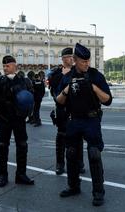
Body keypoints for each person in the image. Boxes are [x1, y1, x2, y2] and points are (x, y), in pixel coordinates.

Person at [56, 43, 112, 206]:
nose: (87, 64)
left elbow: (108, 100)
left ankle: (98, 192)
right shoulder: (67, 77)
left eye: (88, 61)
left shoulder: (95, 75)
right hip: (73, 120)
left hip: (91, 120)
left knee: (94, 154)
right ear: (74, 60)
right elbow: (58, 101)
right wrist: (67, 90)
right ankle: (73, 186)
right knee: (71, 154)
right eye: (83, 61)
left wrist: (93, 87)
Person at [0, 55, 35, 187]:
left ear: (15, 65)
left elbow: (31, 99)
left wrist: (28, 115)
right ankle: (2, 175)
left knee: (22, 145)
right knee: (2, 146)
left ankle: (21, 174)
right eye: (3, 66)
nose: (5, 68)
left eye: (7, 65)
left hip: (19, 119)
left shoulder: (24, 81)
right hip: (4, 119)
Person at [48, 47, 85, 175]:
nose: (72, 59)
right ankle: (60, 163)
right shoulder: (56, 73)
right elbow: (53, 89)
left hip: (77, 110)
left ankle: (79, 163)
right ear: (64, 59)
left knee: (78, 137)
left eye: (73, 57)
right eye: (70, 57)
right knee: (61, 137)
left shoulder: (79, 71)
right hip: (62, 109)